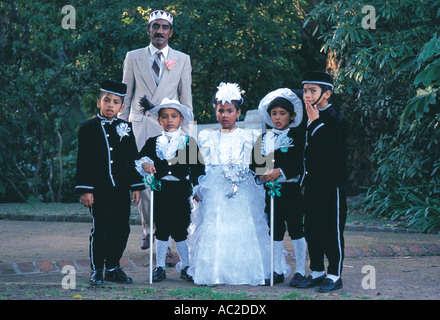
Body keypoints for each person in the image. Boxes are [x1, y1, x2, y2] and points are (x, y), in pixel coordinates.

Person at [187, 83, 284, 286]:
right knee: (216, 225)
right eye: (221, 110)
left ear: (238, 113)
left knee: (244, 225)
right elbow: (200, 167)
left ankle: (249, 271)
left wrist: (269, 173)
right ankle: (214, 271)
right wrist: (199, 188)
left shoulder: (249, 136)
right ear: (215, 112)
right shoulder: (207, 137)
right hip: (216, 191)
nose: (225, 115)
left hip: (242, 189)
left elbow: (259, 164)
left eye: (230, 111)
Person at [120, 9, 192, 253]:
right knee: (145, 180)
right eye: (155, 27)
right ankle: (149, 230)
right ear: (148, 30)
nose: (160, 31)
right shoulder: (133, 57)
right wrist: (120, 129)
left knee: (169, 183)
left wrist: (187, 135)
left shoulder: (182, 59)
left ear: (170, 32)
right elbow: (126, 95)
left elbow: (186, 98)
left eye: (164, 27)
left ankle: (167, 242)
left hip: (169, 129)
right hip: (139, 126)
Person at [75, 80, 145, 285]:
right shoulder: (88, 128)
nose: (110, 105)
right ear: (98, 103)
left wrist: (136, 185)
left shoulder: (126, 127)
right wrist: (86, 190)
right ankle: (97, 269)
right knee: (102, 229)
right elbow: (84, 161)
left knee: (122, 228)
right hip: (99, 190)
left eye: (115, 102)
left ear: (121, 108)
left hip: (121, 189)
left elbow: (132, 157)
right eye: (106, 100)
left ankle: (113, 266)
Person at [135, 97, 204, 282]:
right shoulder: (153, 142)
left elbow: (198, 170)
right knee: (162, 227)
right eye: (165, 117)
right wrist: (147, 164)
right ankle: (159, 267)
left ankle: (186, 266)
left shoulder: (189, 142)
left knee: (180, 228)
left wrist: (197, 189)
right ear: (159, 121)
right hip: (161, 191)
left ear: (181, 119)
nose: (169, 120)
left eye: (174, 116)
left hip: (181, 191)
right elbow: (140, 160)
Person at [296, 71, 348, 292]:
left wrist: (315, 123)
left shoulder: (336, 119)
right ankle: (317, 271)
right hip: (312, 185)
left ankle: (335, 274)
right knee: (312, 228)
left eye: (312, 91)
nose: (307, 95)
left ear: (326, 93)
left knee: (331, 230)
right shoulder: (305, 117)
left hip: (331, 185)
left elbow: (328, 151)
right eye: (305, 91)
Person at [251, 88, 307, 286]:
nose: (277, 117)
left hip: (290, 190)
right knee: (273, 230)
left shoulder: (298, 137)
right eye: (274, 113)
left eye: (282, 113)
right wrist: (261, 174)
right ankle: (277, 270)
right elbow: (254, 163)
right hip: (270, 192)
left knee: (296, 229)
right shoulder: (263, 139)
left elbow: (299, 162)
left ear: (292, 116)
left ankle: (300, 270)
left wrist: (280, 171)